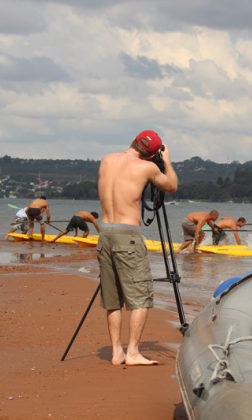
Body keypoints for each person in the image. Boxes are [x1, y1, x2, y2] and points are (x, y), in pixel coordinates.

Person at [97, 129, 178, 366]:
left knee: (112, 299)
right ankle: (132, 352)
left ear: (134, 141)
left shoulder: (107, 160)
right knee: (140, 296)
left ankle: (116, 352)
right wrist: (167, 162)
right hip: (128, 236)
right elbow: (171, 185)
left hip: (106, 232)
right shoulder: (148, 168)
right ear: (153, 153)